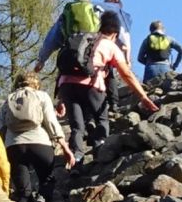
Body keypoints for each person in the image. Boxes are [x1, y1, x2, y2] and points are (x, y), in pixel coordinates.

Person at [56, 10, 160, 157]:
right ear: (115, 34)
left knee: (77, 126)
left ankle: (76, 159)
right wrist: (143, 97)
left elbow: (62, 67)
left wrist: (60, 99)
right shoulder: (109, 45)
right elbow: (126, 74)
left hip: (66, 86)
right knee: (102, 118)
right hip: (91, 85)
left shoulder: (84, 41)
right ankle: (101, 148)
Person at [0, 71, 74, 202]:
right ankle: (42, 201)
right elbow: (51, 122)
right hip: (40, 143)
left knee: (22, 192)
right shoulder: (41, 96)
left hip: (14, 147)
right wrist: (65, 147)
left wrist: (1, 153)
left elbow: (0, 129)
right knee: (47, 178)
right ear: (35, 83)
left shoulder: (7, 100)